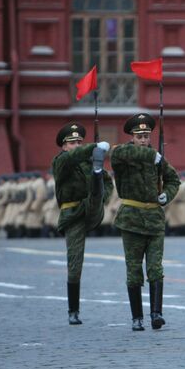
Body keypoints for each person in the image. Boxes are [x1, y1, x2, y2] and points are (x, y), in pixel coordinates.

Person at [111, 113, 181, 331]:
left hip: (154, 220)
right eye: (139, 136)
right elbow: (116, 153)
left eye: (146, 136)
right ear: (132, 137)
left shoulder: (157, 157)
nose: (143, 139)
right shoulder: (124, 155)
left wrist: (166, 196)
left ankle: (156, 314)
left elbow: (173, 180)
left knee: (155, 268)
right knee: (133, 269)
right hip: (131, 218)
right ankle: (137, 317)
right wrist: (149, 156)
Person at [51, 122, 112, 325]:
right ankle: (73, 311)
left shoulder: (88, 160)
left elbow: (109, 181)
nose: (77, 145)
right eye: (72, 142)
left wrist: (103, 195)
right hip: (73, 214)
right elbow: (71, 159)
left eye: (79, 141)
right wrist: (93, 146)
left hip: (91, 207)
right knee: (75, 263)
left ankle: (96, 186)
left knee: (98, 182)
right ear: (64, 146)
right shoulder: (60, 162)